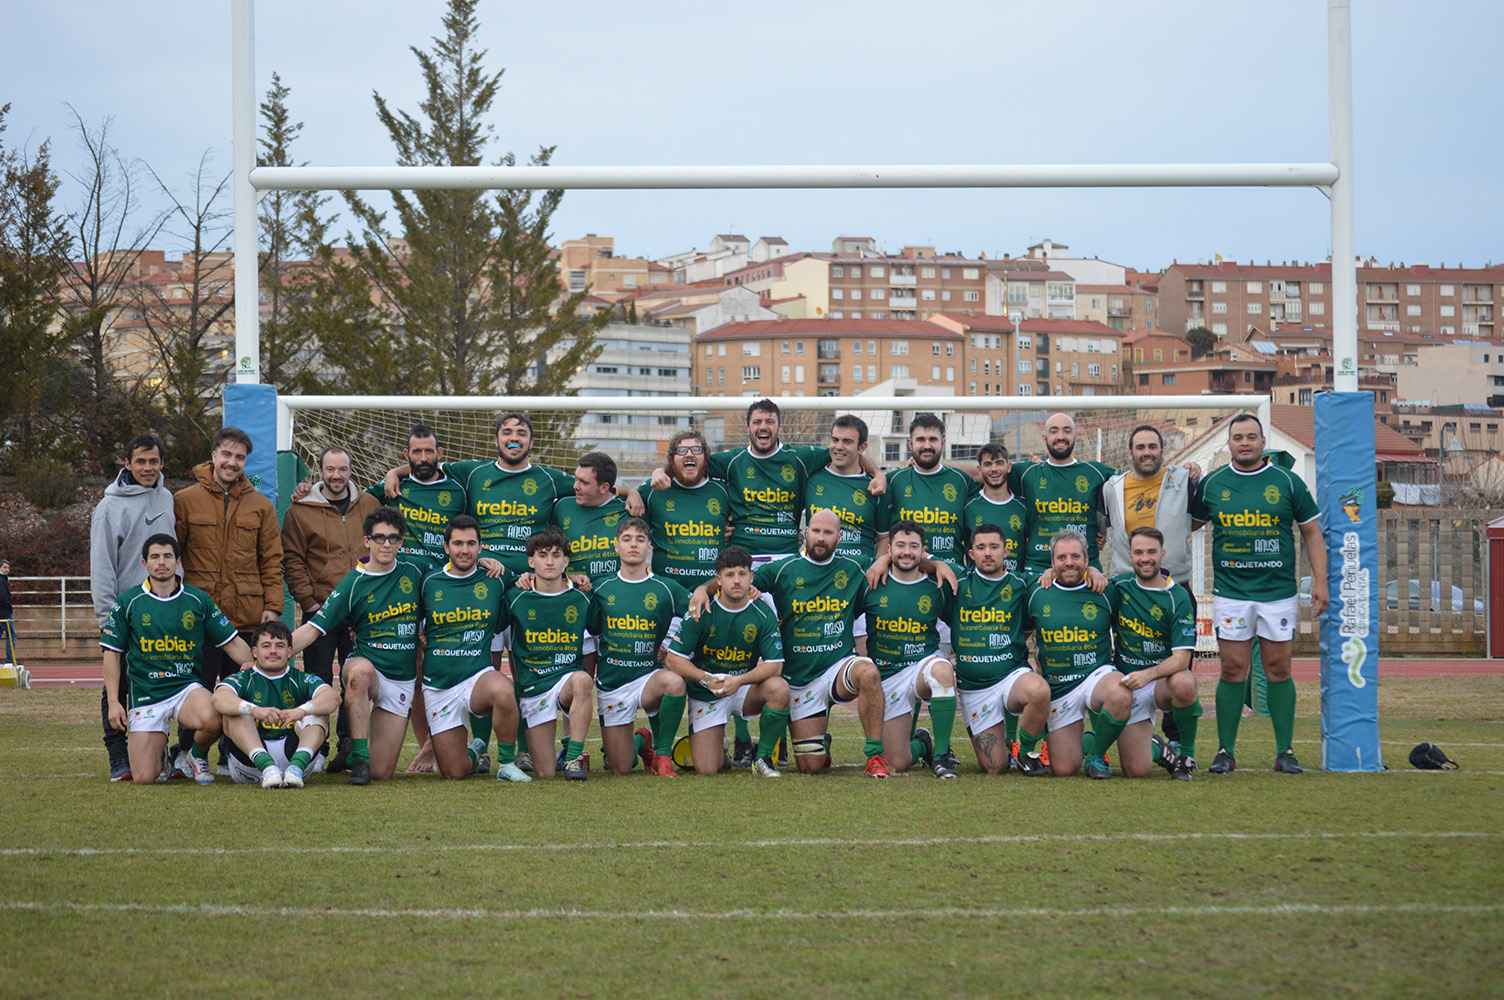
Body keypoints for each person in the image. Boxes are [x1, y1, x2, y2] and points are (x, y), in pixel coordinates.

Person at [695, 509, 888, 776]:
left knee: (868, 672)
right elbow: (738, 581)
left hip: (837, 667)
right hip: (798, 679)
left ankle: (874, 756)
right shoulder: (783, 569)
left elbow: (905, 556)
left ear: (839, 537)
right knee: (811, 767)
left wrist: (884, 558)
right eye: (816, 531)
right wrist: (701, 590)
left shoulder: (854, 566)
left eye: (828, 533)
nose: (821, 538)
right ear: (805, 532)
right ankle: (821, 743)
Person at [1191, 413, 1328, 775]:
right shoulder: (1213, 484)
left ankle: (1285, 750)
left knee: (1278, 668)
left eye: (1252, 437)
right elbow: (1187, 525)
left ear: (1263, 441)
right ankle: (1225, 750)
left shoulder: (1287, 482)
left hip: (1277, 593)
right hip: (1232, 593)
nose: (1245, 443)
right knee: (1233, 667)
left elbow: (1312, 533)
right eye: (1238, 437)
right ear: (1229, 444)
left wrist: (1320, 581)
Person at [644, 399, 883, 570]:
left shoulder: (800, 458)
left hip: (786, 558)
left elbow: (844, 451)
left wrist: (877, 474)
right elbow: (689, 459)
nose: (763, 426)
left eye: (770, 421)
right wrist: (659, 471)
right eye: (757, 421)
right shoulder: (731, 461)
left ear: (779, 426)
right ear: (748, 427)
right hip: (742, 559)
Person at [100, 534, 252, 785]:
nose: (162, 562)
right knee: (144, 777)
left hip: (185, 689)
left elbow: (232, 642)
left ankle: (196, 754)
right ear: (144, 564)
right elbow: (111, 654)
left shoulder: (198, 600)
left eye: (168, 556)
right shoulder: (128, 602)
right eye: (155, 557)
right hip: (147, 693)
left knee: (215, 717)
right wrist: (115, 702)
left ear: (177, 562)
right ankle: (163, 755)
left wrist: (255, 666)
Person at [174, 427, 283, 773]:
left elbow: (272, 559)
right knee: (198, 689)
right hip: (199, 619)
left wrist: (273, 604)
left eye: (239, 457)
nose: (231, 462)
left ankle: (232, 757)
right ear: (214, 456)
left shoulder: (261, 506)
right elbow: (172, 554)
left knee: (242, 692)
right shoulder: (185, 500)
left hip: (246, 616)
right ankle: (189, 754)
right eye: (226, 455)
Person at [289, 507, 425, 785]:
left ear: (401, 542)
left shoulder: (415, 572)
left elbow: (449, 579)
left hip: (401, 677)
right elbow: (314, 628)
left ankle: (359, 759)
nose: (386, 544)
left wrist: (484, 563)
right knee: (359, 674)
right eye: (379, 538)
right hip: (368, 665)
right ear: (367, 541)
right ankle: (359, 756)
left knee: (382, 772)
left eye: (393, 538)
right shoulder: (353, 582)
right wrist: (271, 654)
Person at [281, 446, 379, 768]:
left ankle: (348, 747)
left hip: (360, 615)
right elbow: (292, 558)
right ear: (320, 471)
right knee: (318, 679)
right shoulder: (301, 508)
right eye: (330, 469)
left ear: (351, 471)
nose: (336, 476)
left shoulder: (369, 504)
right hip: (321, 609)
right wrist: (309, 600)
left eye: (343, 469)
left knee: (354, 681)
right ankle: (316, 749)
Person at [89, 433, 175, 782]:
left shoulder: (167, 498)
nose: (147, 467)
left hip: (164, 608)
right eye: (140, 461)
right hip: (126, 612)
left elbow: (172, 553)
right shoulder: (109, 507)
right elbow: (103, 564)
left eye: (153, 461)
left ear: (161, 463)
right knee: (118, 682)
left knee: (164, 682)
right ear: (126, 463)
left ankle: (162, 753)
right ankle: (117, 755)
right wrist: (106, 616)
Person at [418, 515, 528, 782]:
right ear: (446, 548)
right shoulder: (429, 582)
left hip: (476, 676)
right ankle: (476, 749)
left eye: (471, 543)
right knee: (454, 772)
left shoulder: (495, 577)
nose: (464, 550)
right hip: (439, 685)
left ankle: (505, 762)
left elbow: (527, 580)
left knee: (502, 690)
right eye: (457, 544)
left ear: (480, 547)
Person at [666, 545, 788, 777]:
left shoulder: (763, 611)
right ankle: (715, 744)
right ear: (719, 579)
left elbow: (775, 665)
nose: (736, 581)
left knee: (779, 688)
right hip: (707, 690)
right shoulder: (701, 609)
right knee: (708, 769)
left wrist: (739, 681)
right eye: (729, 574)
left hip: (742, 688)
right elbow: (674, 659)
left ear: (751, 577)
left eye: (742, 574)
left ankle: (762, 758)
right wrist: (705, 678)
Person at [590, 516, 693, 777]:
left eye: (640, 539)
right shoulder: (600, 586)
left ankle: (663, 755)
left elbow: (696, 615)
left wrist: (672, 645)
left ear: (649, 546)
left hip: (648, 678)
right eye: (626, 539)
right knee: (620, 767)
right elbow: (590, 628)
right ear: (616, 546)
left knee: (674, 683)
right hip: (612, 685)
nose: (633, 545)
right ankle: (641, 741)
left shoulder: (666, 588)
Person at [945, 523, 1051, 776]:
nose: (988, 553)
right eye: (981, 548)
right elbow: (921, 561)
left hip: (1011, 677)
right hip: (975, 687)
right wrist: (935, 564)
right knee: (994, 767)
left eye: (994, 546)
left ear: (1006, 550)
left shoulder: (1021, 583)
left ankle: (1024, 751)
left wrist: (1091, 569)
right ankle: (980, 731)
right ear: (971, 554)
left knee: (1038, 691)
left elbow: (1065, 571)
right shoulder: (958, 580)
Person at [1028, 530, 1132, 779]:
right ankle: (1086, 742)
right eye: (1061, 557)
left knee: (1120, 692)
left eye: (1076, 556)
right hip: (1060, 687)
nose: (1069, 562)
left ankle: (1097, 755)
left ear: (1087, 559)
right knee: (1064, 769)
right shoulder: (1036, 592)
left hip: (1097, 675)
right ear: (1052, 562)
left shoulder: (1105, 590)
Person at [861, 520, 960, 779]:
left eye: (913, 546)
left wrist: (938, 564)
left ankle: (941, 755)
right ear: (889, 550)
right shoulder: (872, 582)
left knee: (942, 671)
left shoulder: (936, 585)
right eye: (900, 546)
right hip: (887, 676)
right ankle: (922, 743)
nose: (907, 552)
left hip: (921, 666)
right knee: (897, 761)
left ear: (923, 550)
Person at [1102, 527, 1201, 780]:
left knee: (1185, 682)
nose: (1145, 558)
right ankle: (1158, 748)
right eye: (1138, 552)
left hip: (1160, 682)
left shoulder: (1178, 596)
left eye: (1151, 552)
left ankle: (1186, 754)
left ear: (1162, 554)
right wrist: (1090, 570)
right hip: (1126, 686)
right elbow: (1085, 585)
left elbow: (1182, 659)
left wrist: (1148, 675)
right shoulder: (1119, 586)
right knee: (1136, 770)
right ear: (1130, 555)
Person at [504, 528, 597, 780]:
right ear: (531, 561)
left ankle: (574, 758)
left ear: (566, 561)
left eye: (556, 555)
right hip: (534, 689)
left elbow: (601, 634)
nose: (549, 561)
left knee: (582, 680)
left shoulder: (582, 597)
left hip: (566, 682)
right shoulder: (515, 597)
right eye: (542, 555)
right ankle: (559, 754)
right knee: (545, 773)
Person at [211, 621, 340, 788]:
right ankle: (267, 767)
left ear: (289, 652)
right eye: (266, 646)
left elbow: (332, 698)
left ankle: (296, 768)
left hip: (296, 761)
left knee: (318, 711)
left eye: (280, 646)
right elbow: (219, 698)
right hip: (250, 766)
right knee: (235, 712)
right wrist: (255, 710)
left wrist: (300, 711)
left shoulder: (301, 678)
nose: (273, 651)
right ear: (254, 652)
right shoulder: (242, 678)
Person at [1009, 412, 1116, 576]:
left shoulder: (1097, 472)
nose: (1060, 436)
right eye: (1054, 431)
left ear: (1076, 435)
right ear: (1044, 437)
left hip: (1086, 568)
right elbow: (984, 476)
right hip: (1038, 567)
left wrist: (1105, 526)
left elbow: (1131, 485)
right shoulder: (1025, 473)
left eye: (1067, 430)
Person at [633, 429, 732, 591]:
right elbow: (608, 493)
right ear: (671, 459)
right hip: (667, 592)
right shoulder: (653, 490)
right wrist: (631, 492)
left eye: (697, 450)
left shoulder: (723, 491)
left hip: (713, 591)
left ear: (706, 458)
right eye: (682, 450)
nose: (689, 454)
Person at [877, 413, 976, 571]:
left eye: (933, 439)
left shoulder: (962, 481)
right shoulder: (892, 481)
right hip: (903, 573)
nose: (927, 445)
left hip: (951, 574)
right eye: (920, 439)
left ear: (943, 443)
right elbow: (882, 535)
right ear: (910, 444)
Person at [803, 415, 890, 567]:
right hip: (815, 569)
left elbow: (884, 537)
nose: (839, 447)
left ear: (862, 447)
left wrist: (877, 567)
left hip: (857, 573)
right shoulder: (811, 478)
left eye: (847, 442)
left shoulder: (876, 487)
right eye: (835, 440)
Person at [552, 451, 628, 584]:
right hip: (575, 595)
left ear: (604, 487)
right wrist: (566, 576)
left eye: (584, 482)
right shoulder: (562, 507)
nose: (575, 486)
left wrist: (633, 493)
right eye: (576, 479)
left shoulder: (628, 509)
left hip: (614, 595)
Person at [961, 443, 1029, 574]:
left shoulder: (1023, 507)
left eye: (999, 463)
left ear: (1008, 467)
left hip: (1014, 587)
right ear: (979, 469)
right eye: (987, 464)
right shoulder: (969, 507)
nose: (994, 469)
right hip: (979, 587)